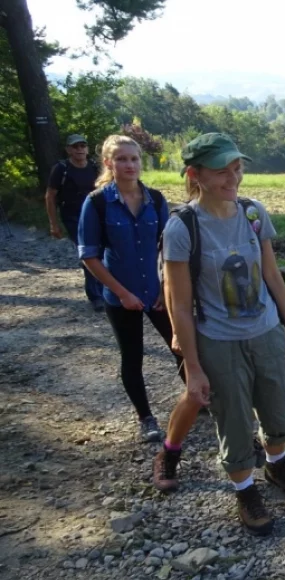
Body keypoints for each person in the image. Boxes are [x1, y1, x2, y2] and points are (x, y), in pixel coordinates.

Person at [161, 132, 285, 535]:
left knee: (278, 414)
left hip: (265, 333)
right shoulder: (182, 228)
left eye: (237, 168)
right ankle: (245, 491)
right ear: (196, 174)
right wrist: (192, 366)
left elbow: (272, 275)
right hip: (219, 342)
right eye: (222, 171)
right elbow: (179, 305)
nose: (233, 178)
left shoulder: (254, 213)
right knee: (236, 422)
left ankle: (277, 467)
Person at [77, 134, 185, 443]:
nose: (129, 164)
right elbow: (89, 255)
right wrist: (122, 293)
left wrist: (166, 287)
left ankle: (198, 398)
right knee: (132, 357)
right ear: (109, 163)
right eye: (121, 159)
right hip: (120, 295)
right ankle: (145, 417)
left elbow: (168, 248)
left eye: (134, 158)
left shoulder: (156, 199)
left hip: (157, 292)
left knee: (182, 346)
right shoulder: (97, 202)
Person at [46, 133, 104, 311]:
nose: (80, 149)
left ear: (87, 148)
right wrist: (53, 224)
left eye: (82, 146)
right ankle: (96, 296)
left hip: (95, 215)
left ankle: (104, 291)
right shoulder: (61, 169)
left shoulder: (94, 166)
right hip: (72, 216)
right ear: (68, 150)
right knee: (88, 251)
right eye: (75, 146)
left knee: (101, 252)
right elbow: (50, 196)